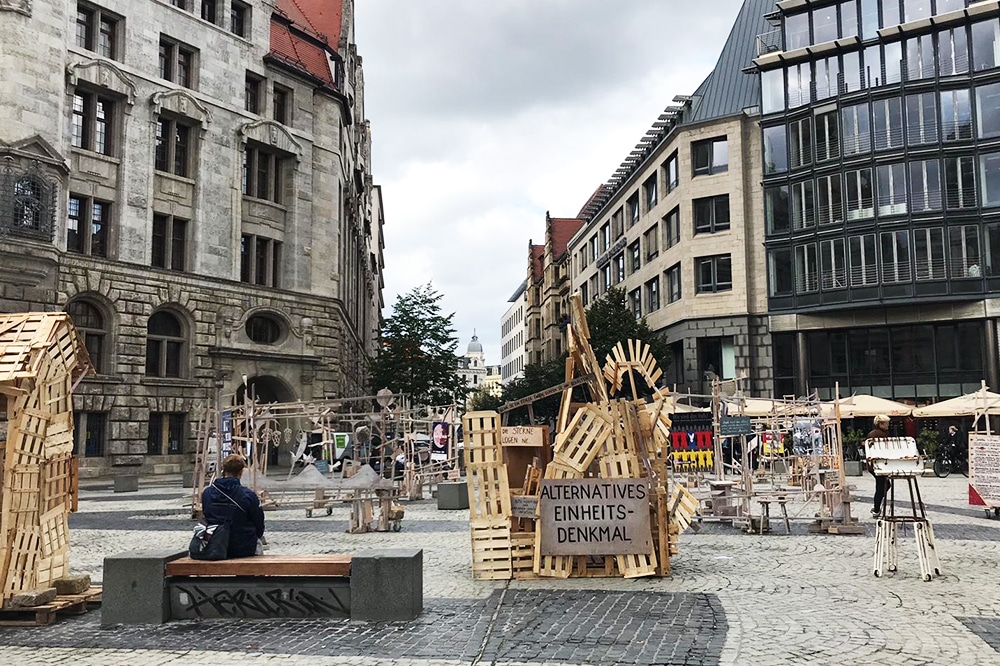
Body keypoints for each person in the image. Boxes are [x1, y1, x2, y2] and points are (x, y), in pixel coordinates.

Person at [202, 454, 265, 559]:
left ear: (223, 470)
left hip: (214, 545)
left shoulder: (207, 493)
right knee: (258, 545)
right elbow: (259, 525)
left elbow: (206, 516)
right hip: (243, 547)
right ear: (241, 472)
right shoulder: (248, 495)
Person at [867, 415, 891, 518]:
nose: (888, 425)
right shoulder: (878, 434)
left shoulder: (875, 433)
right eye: (886, 423)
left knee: (882, 485)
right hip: (878, 464)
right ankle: (876, 508)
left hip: (875, 464)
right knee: (882, 485)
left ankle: (877, 507)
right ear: (880, 424)